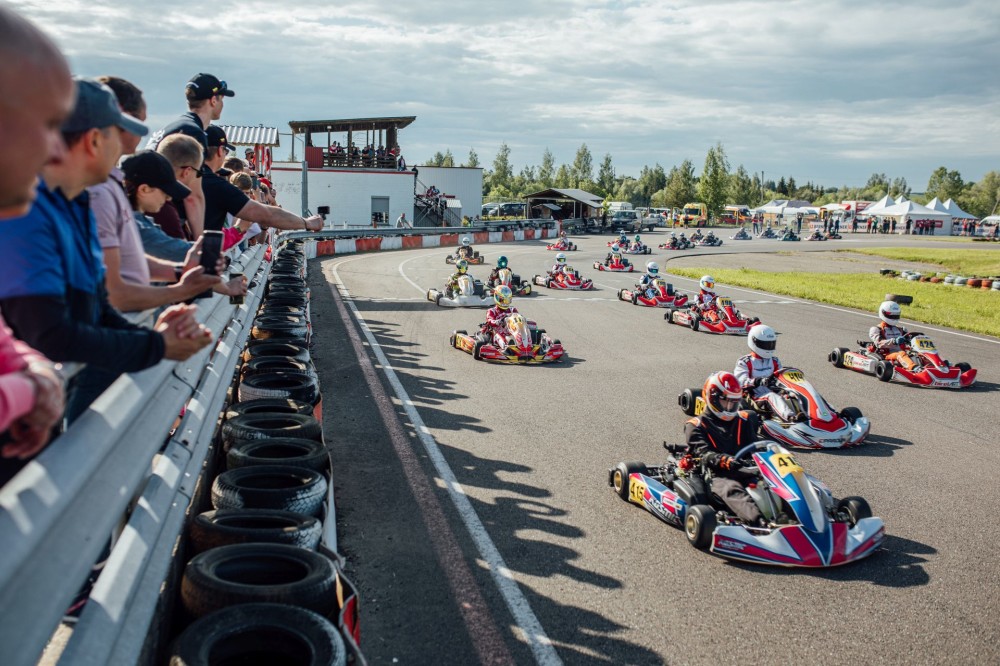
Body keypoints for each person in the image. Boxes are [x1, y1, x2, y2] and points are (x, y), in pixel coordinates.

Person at [0, 78, 212, 424]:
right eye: (120, 135)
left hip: (42, 401)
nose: (128, 149)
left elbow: (96, 304)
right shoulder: (26, 210)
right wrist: (157, 345)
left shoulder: (77, 201)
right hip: (24, 408)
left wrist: (154, 338)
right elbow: (50, 333)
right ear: (94, 139)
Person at [201, 125, 323, 234]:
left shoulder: (192, 176)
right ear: (219, 151)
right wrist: (307, 223)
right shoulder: (216, 185)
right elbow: (266, 214)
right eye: (226, 151)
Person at [684, 371, 764, 525]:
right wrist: (725, 460)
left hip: (746, 470)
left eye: (733, 402)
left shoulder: (743, 420)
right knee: (732, 490)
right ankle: (759, 522)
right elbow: (703, 454)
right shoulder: (695, 426)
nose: (729, 406)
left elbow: (755, 446)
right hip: (719, 475)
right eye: (725, 401)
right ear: (712, 398)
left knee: (776, 484)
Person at [146, 73, 234, 152]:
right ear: (213, 101)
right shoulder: (193, 134)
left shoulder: (181, 126)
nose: (222, 104)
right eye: (222, 99)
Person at [734, 325, 800, 422]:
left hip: (774, 393)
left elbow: (781, 378)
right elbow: (740, 382)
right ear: (754, 342)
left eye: (771, 344)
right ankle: (791, 418)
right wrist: (759, 381)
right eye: (765, 345)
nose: (768, 347)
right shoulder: (745, 362)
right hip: (755, 398)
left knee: (796, 394)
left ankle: (814, 416)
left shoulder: (774, 360)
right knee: (771, 397)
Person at [869, 301, 915, 370]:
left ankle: (932, 368)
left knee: (919, 355)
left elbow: (910, 342)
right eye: (891, 315)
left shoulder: (902, 329)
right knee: (900, 354)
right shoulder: (876, 329)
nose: (894, 317)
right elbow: (879, 343)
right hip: (887, 355)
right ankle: (914, 368)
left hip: (903, 354)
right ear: (883, 313)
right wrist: (894, 341)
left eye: (896, 315)